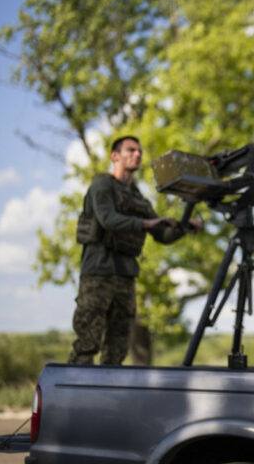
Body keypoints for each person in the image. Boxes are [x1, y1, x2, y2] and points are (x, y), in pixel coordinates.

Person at [68, 136, 203, 365]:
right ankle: (71, 398)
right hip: (98, 274)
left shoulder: (138, 198)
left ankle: (109, 398)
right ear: (115, 156)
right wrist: (144, 223)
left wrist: (184, 226)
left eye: (139, 151)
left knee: (118, 347)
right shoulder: (102, 185)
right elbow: (107, 219)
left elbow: (162, 235)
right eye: (130, 150)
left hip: (126, 277)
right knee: (87, 344)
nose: (137, 154)